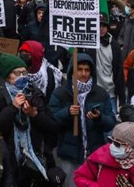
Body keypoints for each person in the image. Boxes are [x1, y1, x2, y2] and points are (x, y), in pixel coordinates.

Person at [0, 53, 59, 186]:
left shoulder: (35, 93)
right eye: (17, 73)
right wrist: (13, 108)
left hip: (36, 157)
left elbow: (52, 127)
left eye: (24, 72)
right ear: (7, 76)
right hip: (10, 159)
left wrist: (34, 115)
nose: (22, 76)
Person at [50, 54, 117, 182]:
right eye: (79, 69)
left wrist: (99, 118)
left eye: (87, 70)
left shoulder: (101, 94)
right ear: (72, 71)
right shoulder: (61, 93)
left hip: (95, 152)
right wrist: (67, 113)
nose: (83, 73)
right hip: (70, 154)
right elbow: (52, 119)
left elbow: (111, 122)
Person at [74, 122, 134, 187]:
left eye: (117, 144)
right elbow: (80, 177)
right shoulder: (100, 156)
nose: (112, 146)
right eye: (111, 140)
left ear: (132, 148)